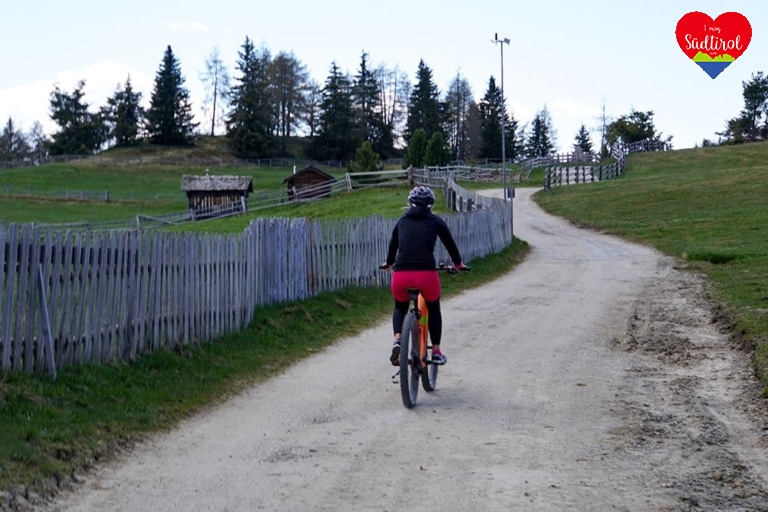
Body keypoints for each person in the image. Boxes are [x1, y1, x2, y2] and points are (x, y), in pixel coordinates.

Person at [381, 185, 466, 366]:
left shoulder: (401, 222)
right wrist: (458, 264)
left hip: (401, 275)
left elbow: (392, 246)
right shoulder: (435, 222)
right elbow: (450, 243)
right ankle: (435, 351)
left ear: (410, 202)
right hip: (426, 275)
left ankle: (397, 339)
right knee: (434, 308)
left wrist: (389, 264)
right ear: (431, 204)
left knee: (399, 307)